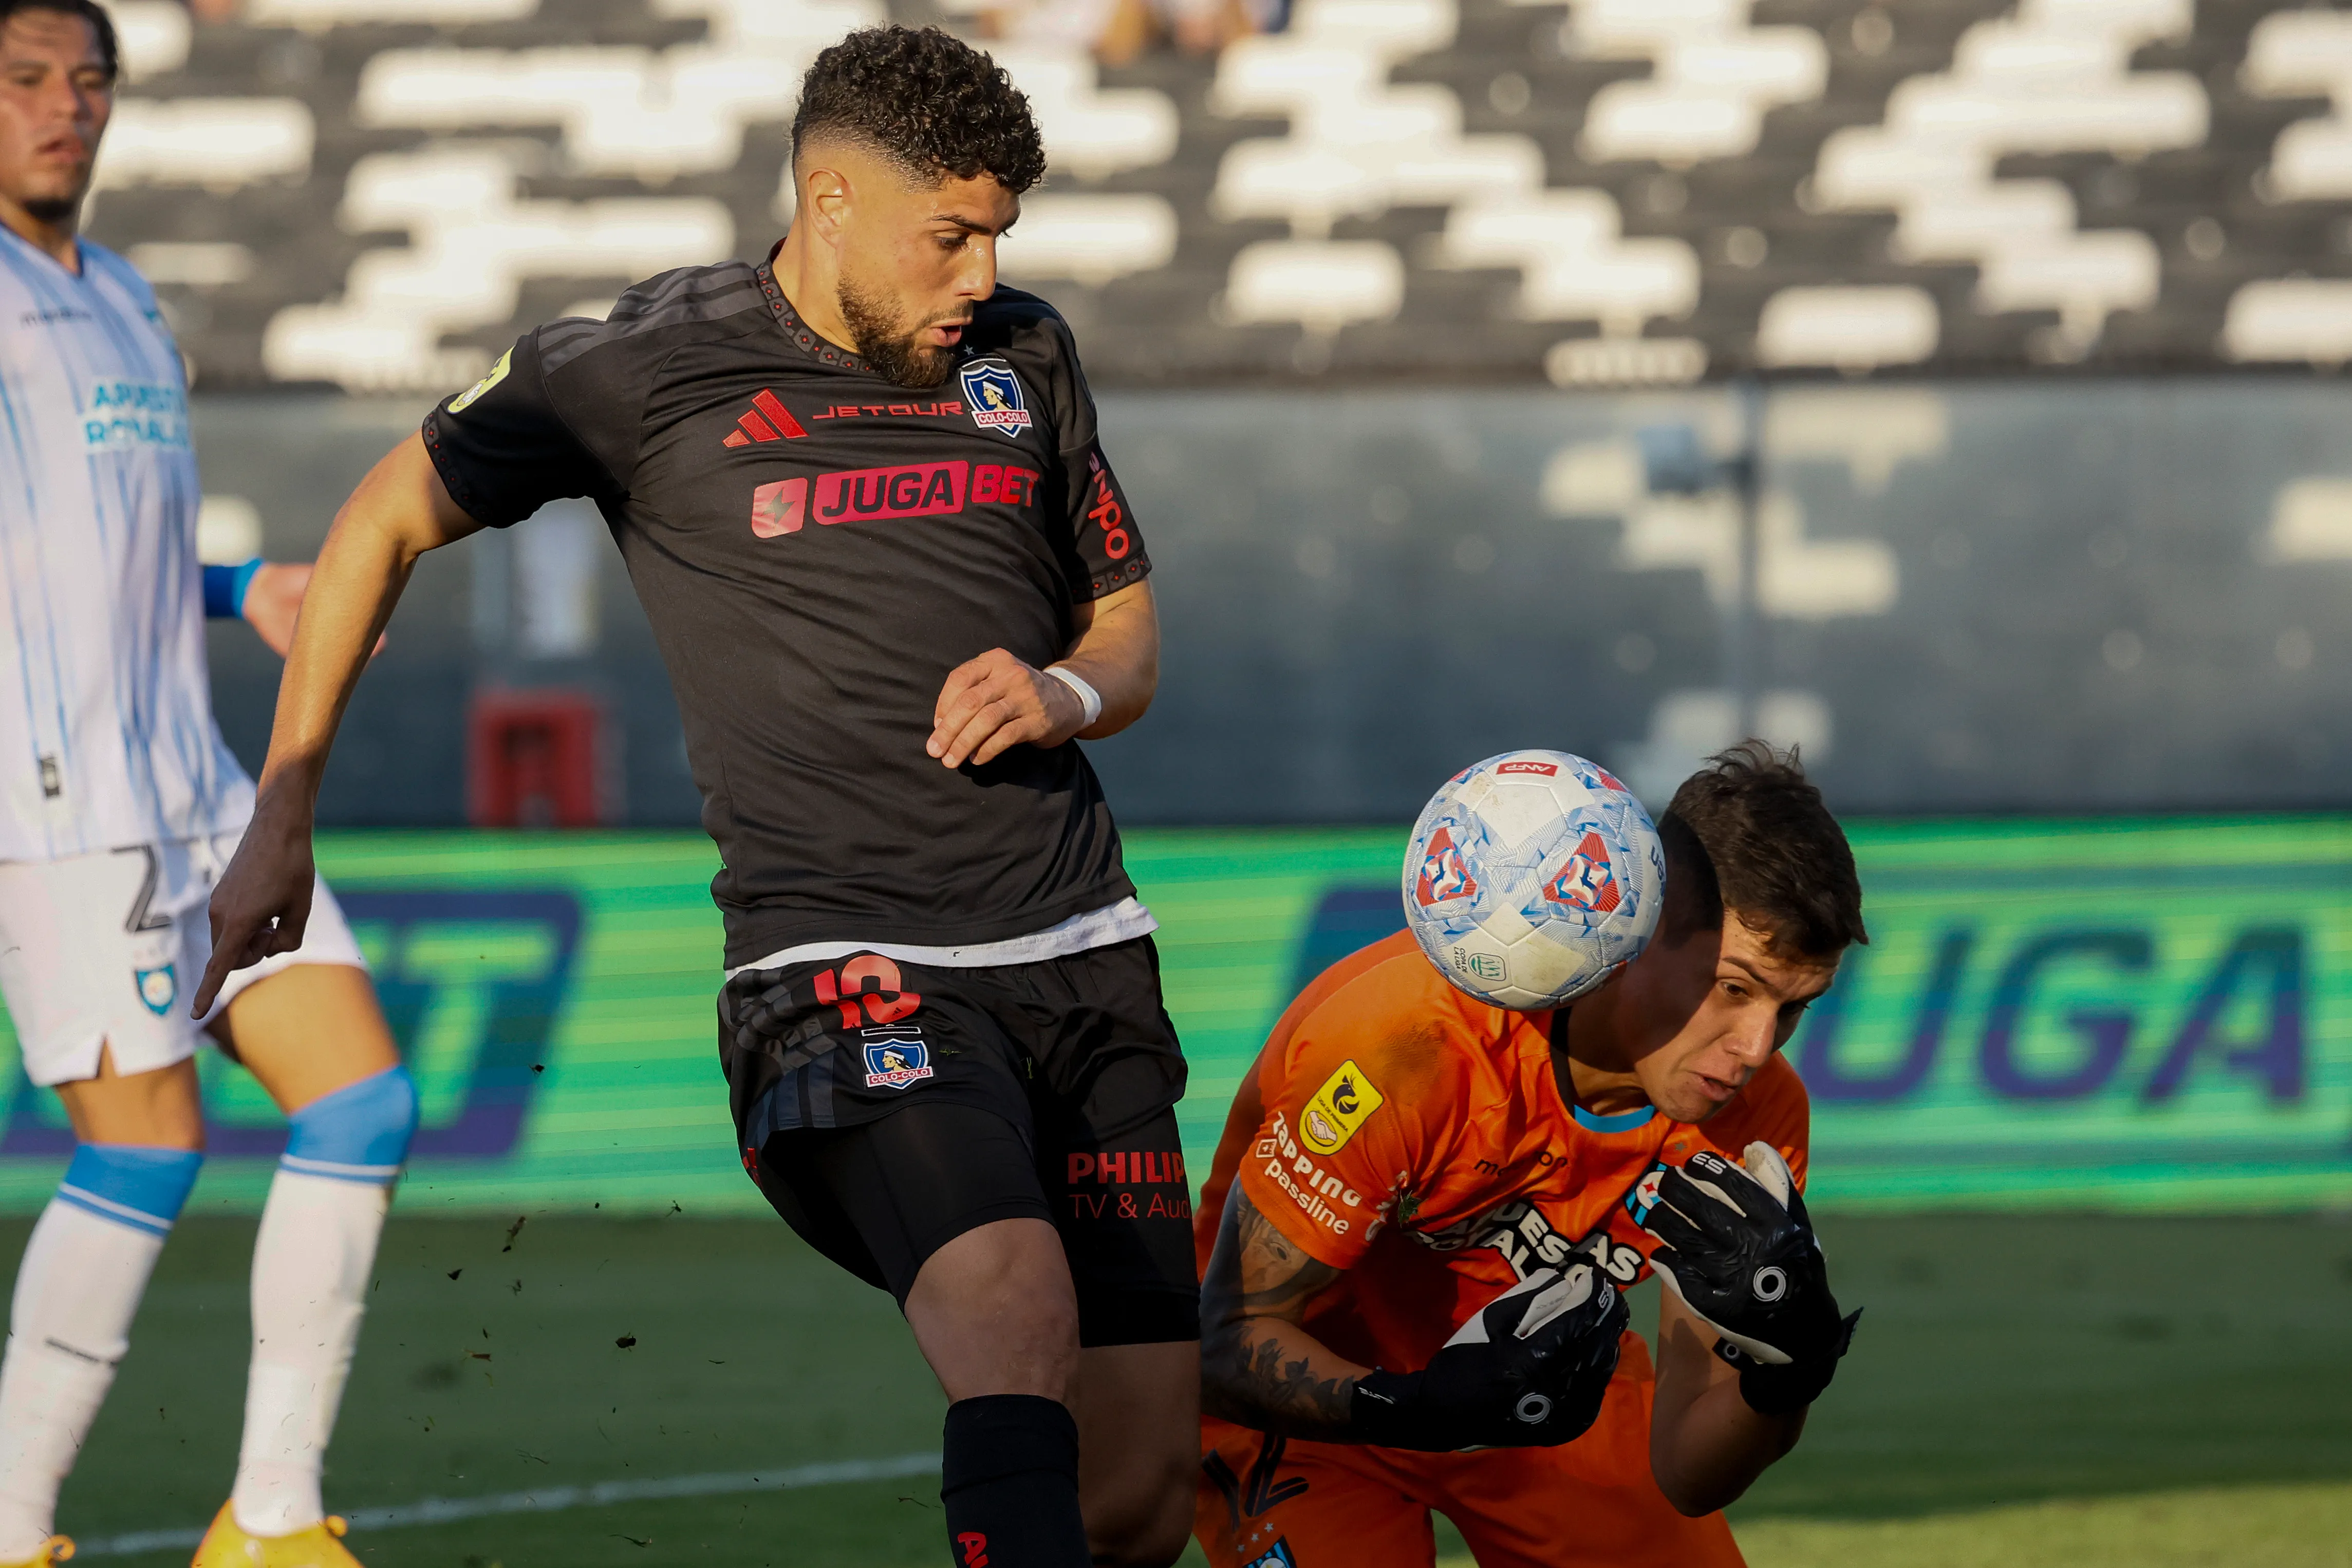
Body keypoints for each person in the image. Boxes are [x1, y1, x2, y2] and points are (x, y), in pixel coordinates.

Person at [196, 24, 1200, 1568]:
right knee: (1012, 1309)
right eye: (953, 236)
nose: (980, 277)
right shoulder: (641, 367)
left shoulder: (1028, 354)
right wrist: (286, 806)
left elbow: (1123, 627)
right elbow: (382, 517)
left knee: (1137, 1490)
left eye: (1000, 236)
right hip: (841, 966)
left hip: (1080, 950)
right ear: (834, 200)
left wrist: (1062, 688)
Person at [0, 3, 418, 1564]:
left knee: (365, 1101)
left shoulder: (118, 293)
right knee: (144, 1145)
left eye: (88, 81)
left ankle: (270, 1519)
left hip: (200, 789)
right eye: (27, 82)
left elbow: (92, 538)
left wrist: (239, 581)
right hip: (53, 804)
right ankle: (13, 1526)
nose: (66, 108)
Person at [1192, 744, 1868, 1568]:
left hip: (1555, 1388)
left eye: (1793, 1007)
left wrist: (1790, 1370)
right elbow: (1224, 1343)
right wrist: (1417, 1408)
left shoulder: (1758, 1113)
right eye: (1734, 987)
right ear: (1642, 931)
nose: (1757, 1046)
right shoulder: (1405, 1048)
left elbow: (1693, 1474)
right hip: (1314, 1413)